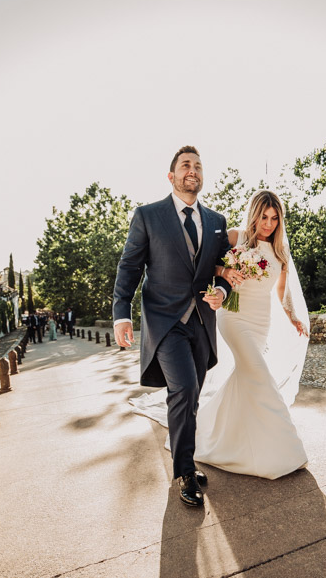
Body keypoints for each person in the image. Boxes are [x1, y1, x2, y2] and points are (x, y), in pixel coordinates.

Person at [130, 189, 310, 480]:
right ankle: (286, 450)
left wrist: (291, 316)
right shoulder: (235, 237)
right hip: (234, 318)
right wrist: (225, 273)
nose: (268, 223)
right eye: (264, 216)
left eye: (274, 218)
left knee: (247, 378)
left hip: (260, 322)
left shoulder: (279, 251)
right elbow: (205, 263)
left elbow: (280, 289)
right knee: (260, 375)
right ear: (254, 214)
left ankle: (212, 432)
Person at [113, 145, 232, 508]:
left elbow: (224, 269)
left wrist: (223, 292)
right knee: (183, 389)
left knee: (192, 396)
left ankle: (186, 459)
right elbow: (130, 267)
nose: (192, 170)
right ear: (172, 175)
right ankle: (183, 471)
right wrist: (121, 313)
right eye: (185, 165)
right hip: (164, 323)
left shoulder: (216, 221)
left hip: (201, 322)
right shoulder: (148, 216)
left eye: (197, 166)